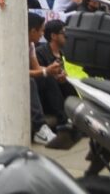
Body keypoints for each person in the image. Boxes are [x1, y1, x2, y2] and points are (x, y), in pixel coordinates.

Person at [26, 13, 61, 146]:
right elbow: (18, 73)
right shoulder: (15, 43)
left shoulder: (31, 45)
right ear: (33, 30)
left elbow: (35, 67)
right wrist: (46, 71)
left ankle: (63, 119)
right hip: (2, 81)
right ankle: (39, 128)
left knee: (49, 77)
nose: (42, 34)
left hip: (23, 77)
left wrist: (51, 70)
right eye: (40, 30)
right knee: (30, 82)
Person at [34, 19, 76, 127]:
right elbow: (39, 73)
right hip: (47, 97)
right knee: (49, 79)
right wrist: (51, 73)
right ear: (53, 36)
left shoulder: (66, 53)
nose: (66, 36)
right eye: (63, 33)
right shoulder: (40, 52)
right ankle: (64, 120)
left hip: (62, 92)